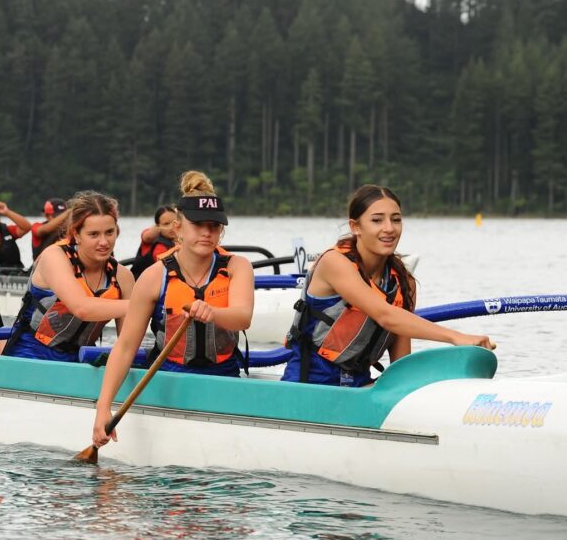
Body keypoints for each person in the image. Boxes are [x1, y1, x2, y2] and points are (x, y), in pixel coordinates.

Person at [91, 171, 254, 449]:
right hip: (168, 382)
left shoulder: (238, 266)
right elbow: (126, 346)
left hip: (224, 380)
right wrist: (103, 408)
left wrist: (213, 312)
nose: (207, 232)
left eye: (214, 226)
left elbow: (243, 317)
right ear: (178, 228)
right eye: (198, 225)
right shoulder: (154, 277)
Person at [282, 184, 495, 387]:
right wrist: (456, 337)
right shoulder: (334, 262)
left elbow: (401, 363)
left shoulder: (403, 281)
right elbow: (386, 316)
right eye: (377, 220)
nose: (389, 229)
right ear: (355, 227)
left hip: (360, 386)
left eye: (396, 220)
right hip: (307, 384)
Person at [1, 191, 134, 362]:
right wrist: (142, 304)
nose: (104, 242)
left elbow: (127, 344)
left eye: (109, 232)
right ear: (76, 234)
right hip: (30, 353)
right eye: (94, 234)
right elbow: (81, 308)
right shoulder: (54, 257)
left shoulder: (123, 277)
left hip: (82, 359)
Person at [129, 204, 179, 278]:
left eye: (174, 222)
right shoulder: (159, 246)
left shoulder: (180, 240)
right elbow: (167, 272)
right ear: (158, 226)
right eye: (166, 224)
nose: (172, 227)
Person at [29, 197, 69, 264]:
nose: (62, 220)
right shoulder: (36, 226)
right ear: (47, 216)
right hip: (41, 266)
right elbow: (42, 231)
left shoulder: (70, 228)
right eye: (57, 216)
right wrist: (68, 212)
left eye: (63, 216)